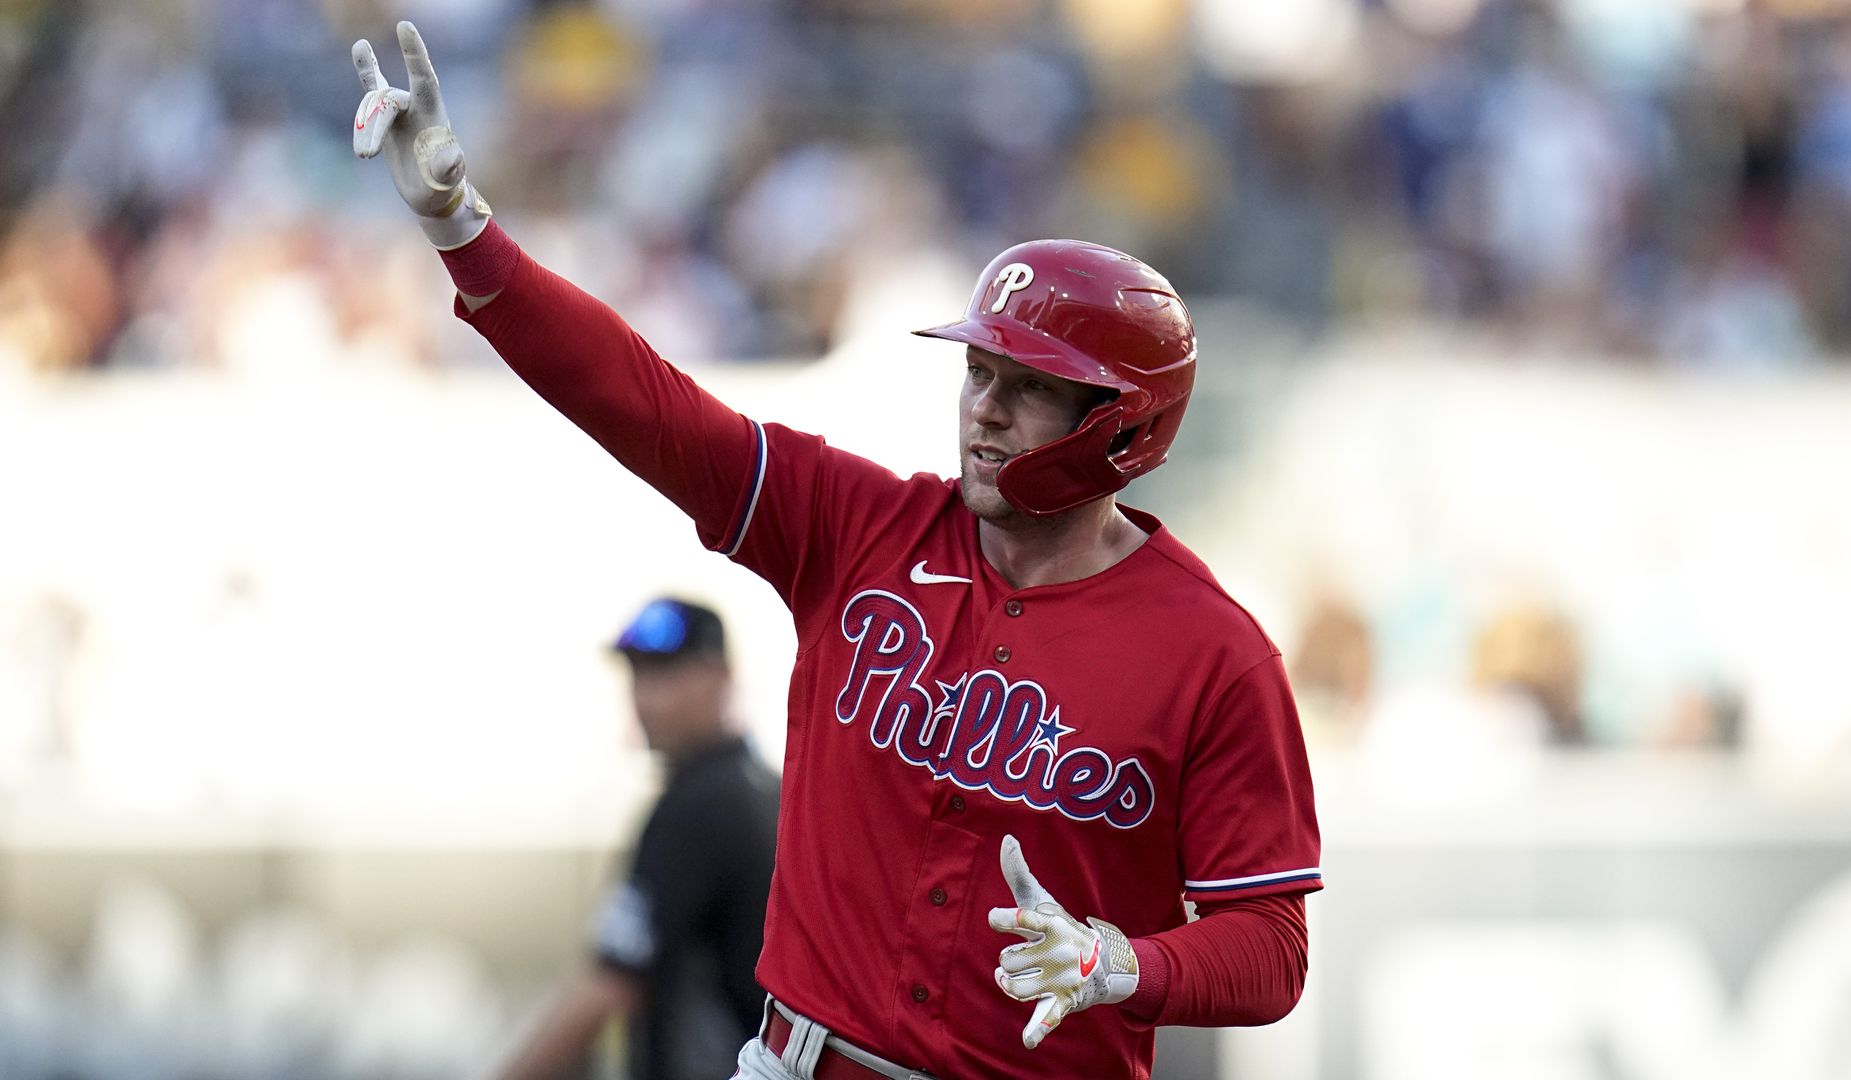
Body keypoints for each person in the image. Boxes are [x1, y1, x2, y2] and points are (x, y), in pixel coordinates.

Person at [354, 23, 1321, 1080]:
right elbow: (645, 403)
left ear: (1123, 421)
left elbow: (1271, 946)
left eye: (1031, 388)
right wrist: (463, 230)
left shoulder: (1212, 654)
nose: (986, 413)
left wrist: (1125, 962)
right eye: (980, 375)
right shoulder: (859, 525)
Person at [497, 598, 780, 1080]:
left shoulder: (701, 805)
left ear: (719, 677)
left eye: (665, 675)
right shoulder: (766, 790)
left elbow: (610, 985)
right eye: (638, 676)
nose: (646, 699)